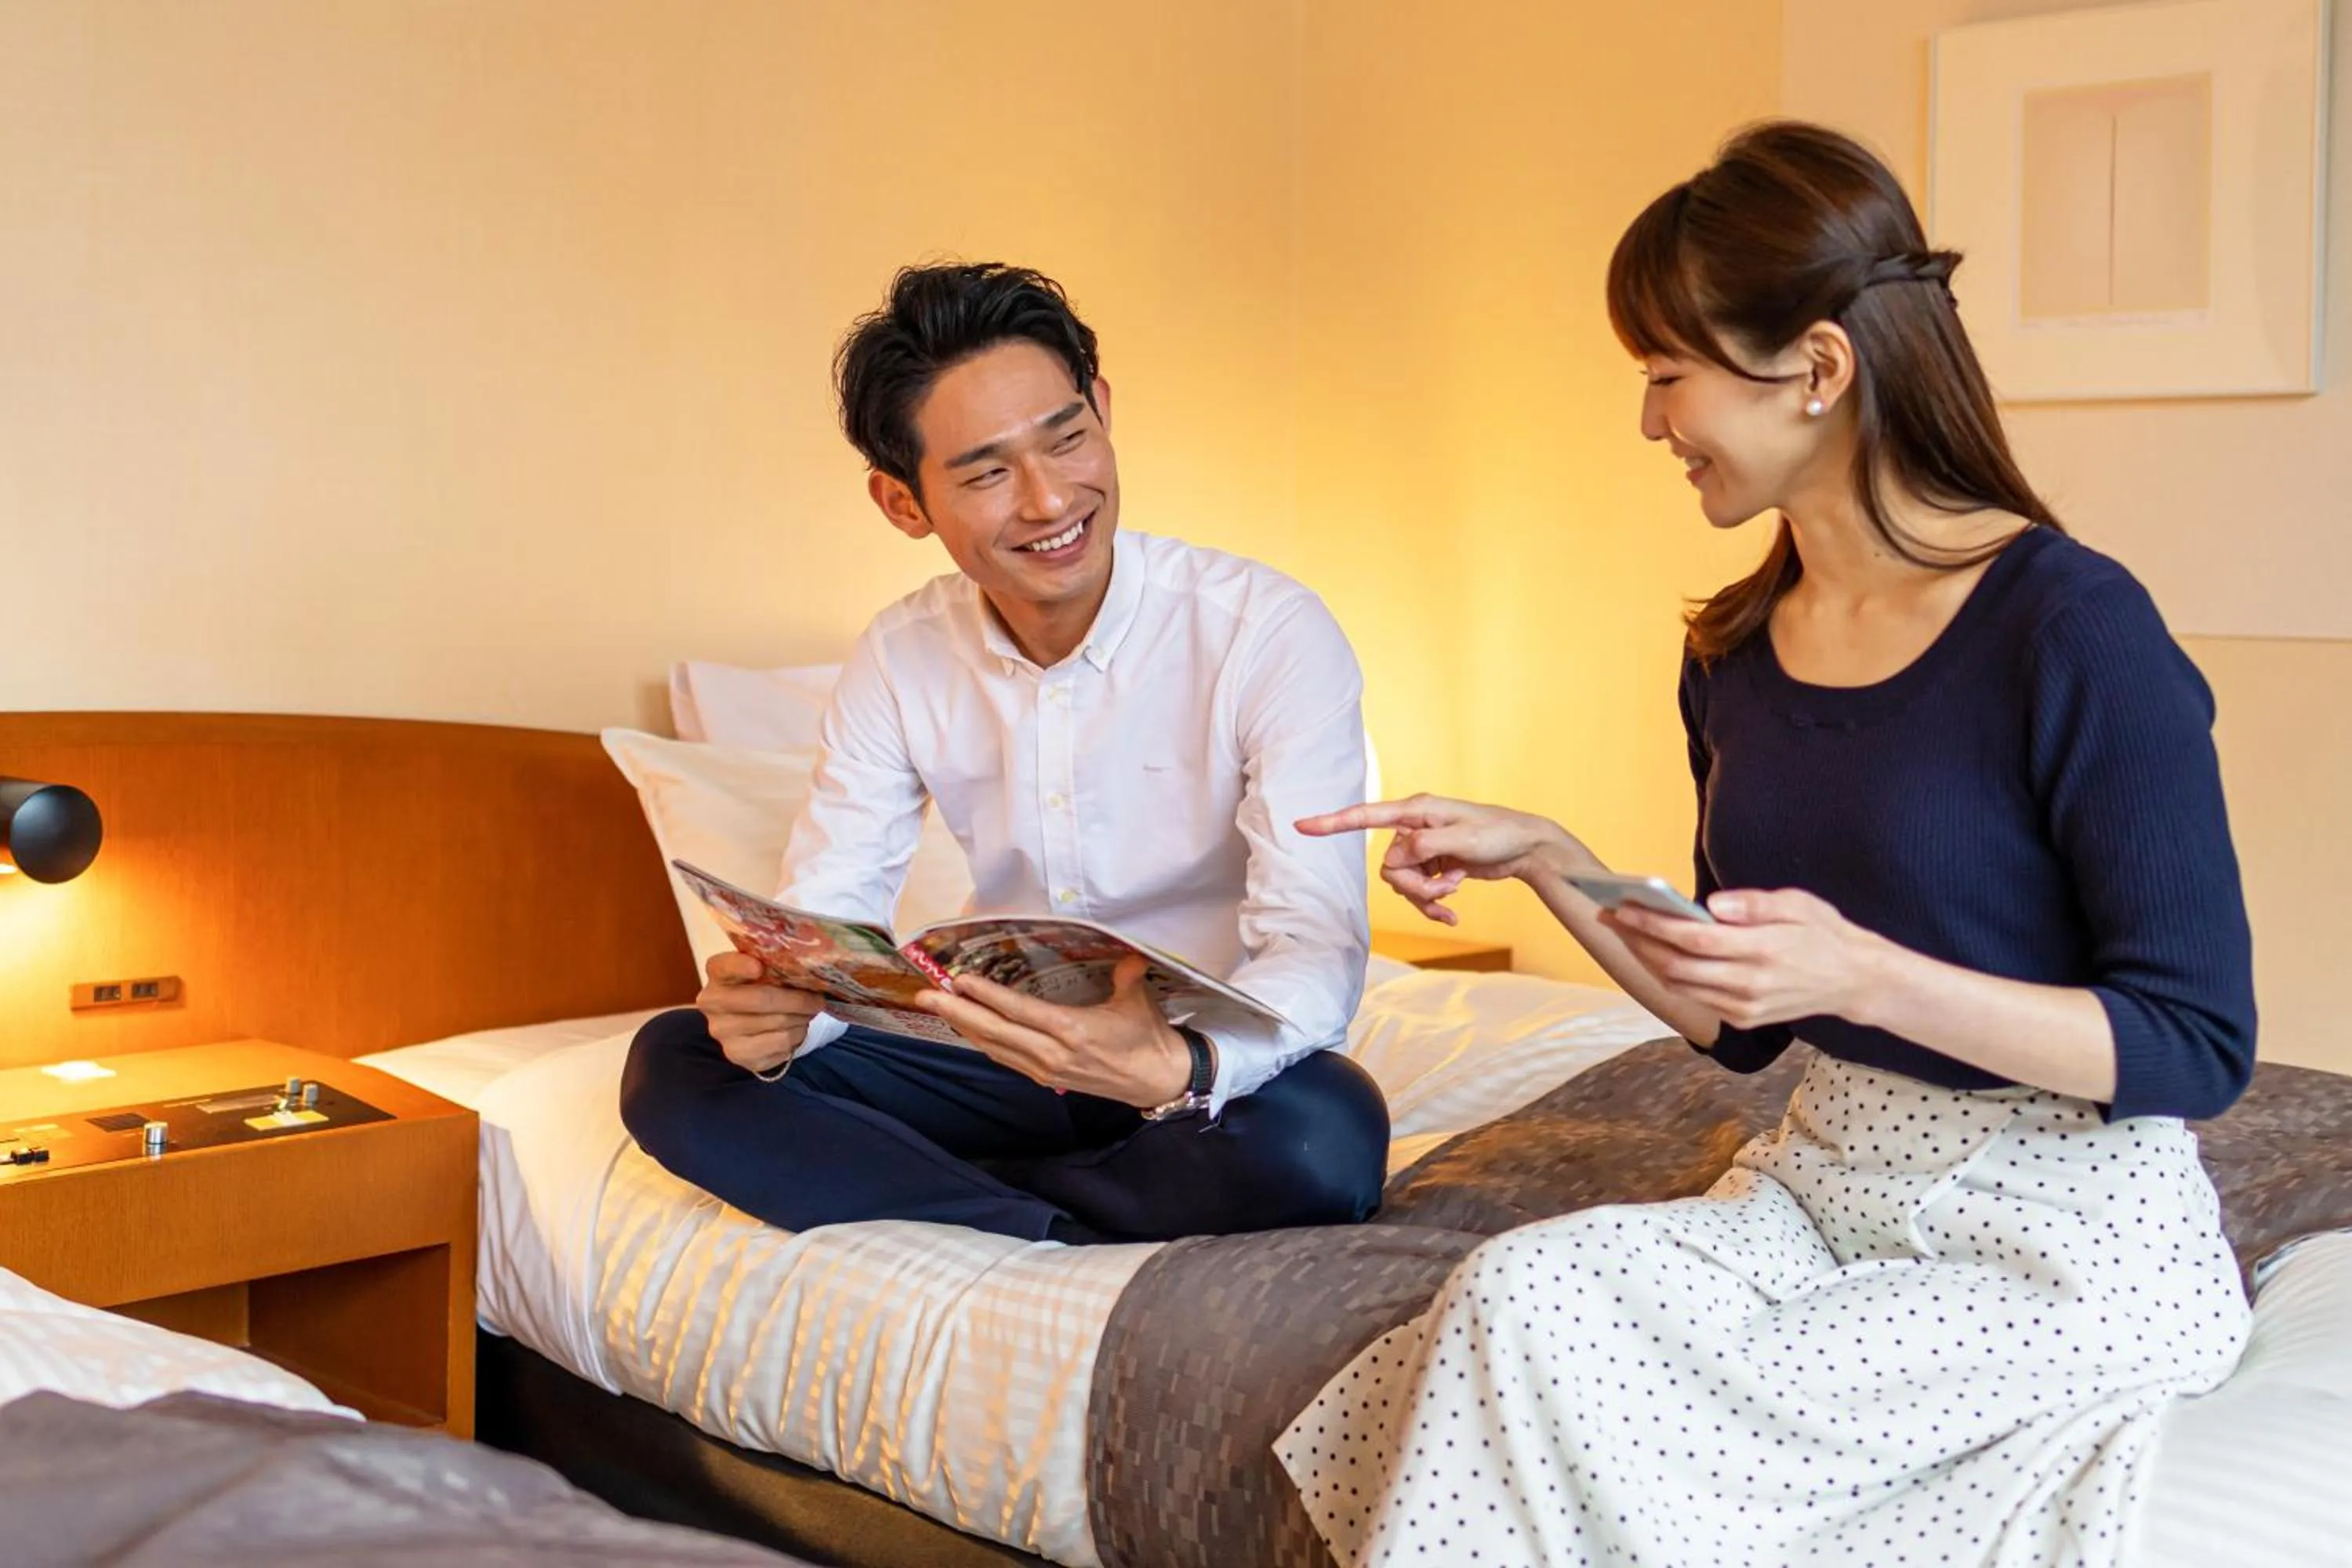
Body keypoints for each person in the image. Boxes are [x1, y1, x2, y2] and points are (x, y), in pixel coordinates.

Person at [1275, 122, 2255, 1567]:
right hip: (1818, 1190)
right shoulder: (1736, 651)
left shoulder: (2074, 630)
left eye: (1668, 374)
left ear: (1816, 367)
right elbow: (1737, 1019)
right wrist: (1549, 856)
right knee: (1519, 1298)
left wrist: (1865, 977)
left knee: (1642, 1410)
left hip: (2057, 1238)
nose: (1651, 422)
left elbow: (2194, 1043)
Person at [620, 263, 1388, 1247]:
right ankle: (1050, 1220)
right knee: (674, 1062)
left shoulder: (1267, 630)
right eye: (986, 472)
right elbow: (830, 920)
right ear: (903, 502)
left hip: (1182, 1064)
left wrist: (1185, 1066)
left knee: (1328, 1137)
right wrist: (778, 1021)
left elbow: (1316, 947)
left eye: (1067, 436)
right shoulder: (900, 656)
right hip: (995, 1054)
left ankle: (970, 1193)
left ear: (1103, 409)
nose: (1048, 499)